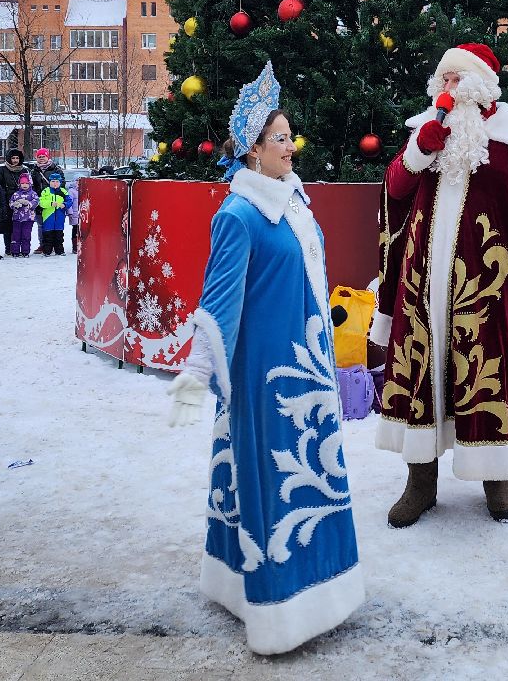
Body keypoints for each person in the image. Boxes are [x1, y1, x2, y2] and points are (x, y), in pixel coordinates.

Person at [165, 62, 363, 656]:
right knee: (272, 482)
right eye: (279, 137)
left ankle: (322, 589)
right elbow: (217, 303)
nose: (290, 144)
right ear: (252, 151)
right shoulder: (239, 214)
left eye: (290, 134)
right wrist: (197, 376)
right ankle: (277, 608)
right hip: (266, 380)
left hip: (309, 368)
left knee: (312, 476)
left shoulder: (295, 202)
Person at [370, 42, 508, 527]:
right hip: (421, 283)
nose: (449, 88)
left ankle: (497, 480)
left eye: (458, 79)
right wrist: (420, 150)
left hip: (490, 286)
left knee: (488, 373)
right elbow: (395, 190)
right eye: (444, 79)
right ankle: (420, 481)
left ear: (481, 84)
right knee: (422, 372)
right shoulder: (424, 131)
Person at [0, 148, 27, 254]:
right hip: (7, 202)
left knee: (20, 226)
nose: (15, 160)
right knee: (8, 227)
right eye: (13, 158)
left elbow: (28, 185)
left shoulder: (24, 170)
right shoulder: (2, 170)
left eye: (17, 158)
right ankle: (8, 248)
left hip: (22, 202)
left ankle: (20, 248)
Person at [38, 172, 69, 256]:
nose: (55, 183)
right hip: (48, 217)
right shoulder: (45, 191)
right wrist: (50, 203)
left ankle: (59, 251)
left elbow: (69, 201)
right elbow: (41, 202)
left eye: (57, 182)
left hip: (60, 216)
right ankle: (47, 251)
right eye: (53, 181)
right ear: (49, 182)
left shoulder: (63, 191)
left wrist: (65, 205)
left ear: (60, 182)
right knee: (48, 235)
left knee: (59, 235)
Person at [8, 173, 39, 257]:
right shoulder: (16, 194)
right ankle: (15, 251)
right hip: (17, 218)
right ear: (19, 184)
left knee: (26, 235)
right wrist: (15, 204)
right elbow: (11, 203)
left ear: (30, 184)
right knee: (16, 235)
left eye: (26, 183)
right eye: (22, 183)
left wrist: (28, 203)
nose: (24, 185)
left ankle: (25, 251)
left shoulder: (33, 194)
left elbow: (36, 202)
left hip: (28, 219)